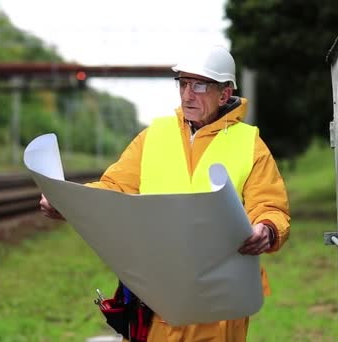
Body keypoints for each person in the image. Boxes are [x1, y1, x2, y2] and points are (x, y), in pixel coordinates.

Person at [40, 45, 290, 342]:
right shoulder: (153, 136)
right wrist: (69, 202)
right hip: (156, 293)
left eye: (199, 85)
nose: (187, 95)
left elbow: (271, 206)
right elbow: (114, 188)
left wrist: (267, 229)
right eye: (183, 83)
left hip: (220, 299)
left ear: (224, 94)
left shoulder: (249, 144)